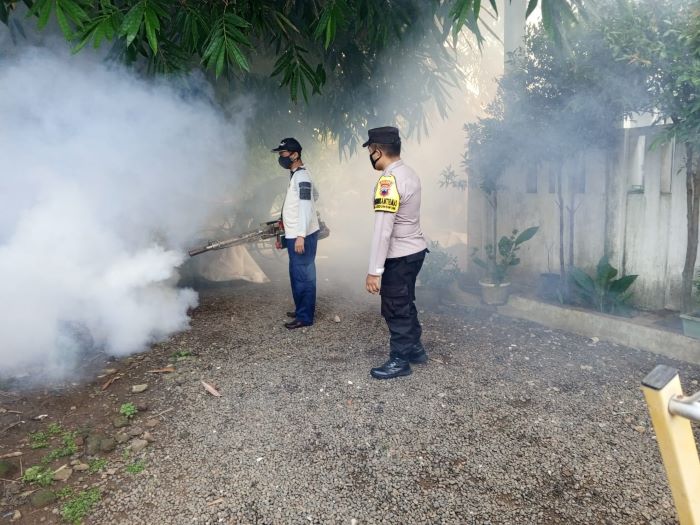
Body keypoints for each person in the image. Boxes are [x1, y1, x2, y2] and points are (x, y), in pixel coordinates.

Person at [363, 126, 429, 379]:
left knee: (395, 306)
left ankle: (399, 360)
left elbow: (383, 229)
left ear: (377, 151)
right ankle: (414, 348)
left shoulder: (388, 181)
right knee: (405, 300)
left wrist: (374, 271)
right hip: (415, 251)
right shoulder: (409, 173)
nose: (370, 156)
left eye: (370, 151)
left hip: (399, 255)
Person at [272, 137, 320, 329]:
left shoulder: (301, 177)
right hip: (295, 234)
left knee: (303, 275)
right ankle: (302, 308)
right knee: (296, 273)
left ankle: (304, 317)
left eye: (283, 154)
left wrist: (301, 235)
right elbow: (313, 196)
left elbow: (306, 207)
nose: (281, 157)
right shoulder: (297, 174)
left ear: (295, 154)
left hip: (303, 236)